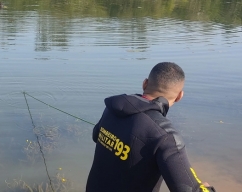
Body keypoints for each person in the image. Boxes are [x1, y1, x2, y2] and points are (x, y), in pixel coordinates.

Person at [86, 62, 216, 192]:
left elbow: (95, 135)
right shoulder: (166, 136)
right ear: (179, 96)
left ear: (145, 83)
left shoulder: (112, 109)